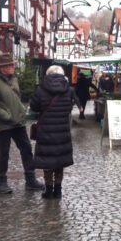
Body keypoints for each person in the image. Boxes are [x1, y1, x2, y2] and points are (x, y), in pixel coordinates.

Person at [0, 53, 45, 194]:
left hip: (18, 123)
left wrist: (21, 111)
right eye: (10, 65)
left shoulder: (13, 79)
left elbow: (15, 99)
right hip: (4, 124)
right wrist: (7, 116)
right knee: (4, 153)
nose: (13, 67)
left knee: (26, 150)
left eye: (13, 64)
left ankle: (30, 180)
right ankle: (1, 182)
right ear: (2, 67)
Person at [30, 65, 78, 199]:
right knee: (59, 161)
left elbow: (34, 107)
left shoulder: (41, 89)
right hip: (62, 131)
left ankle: (49, 190)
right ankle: (58, 190)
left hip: (46, 131)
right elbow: (69, 108)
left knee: (47, 161)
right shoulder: (68, 90)